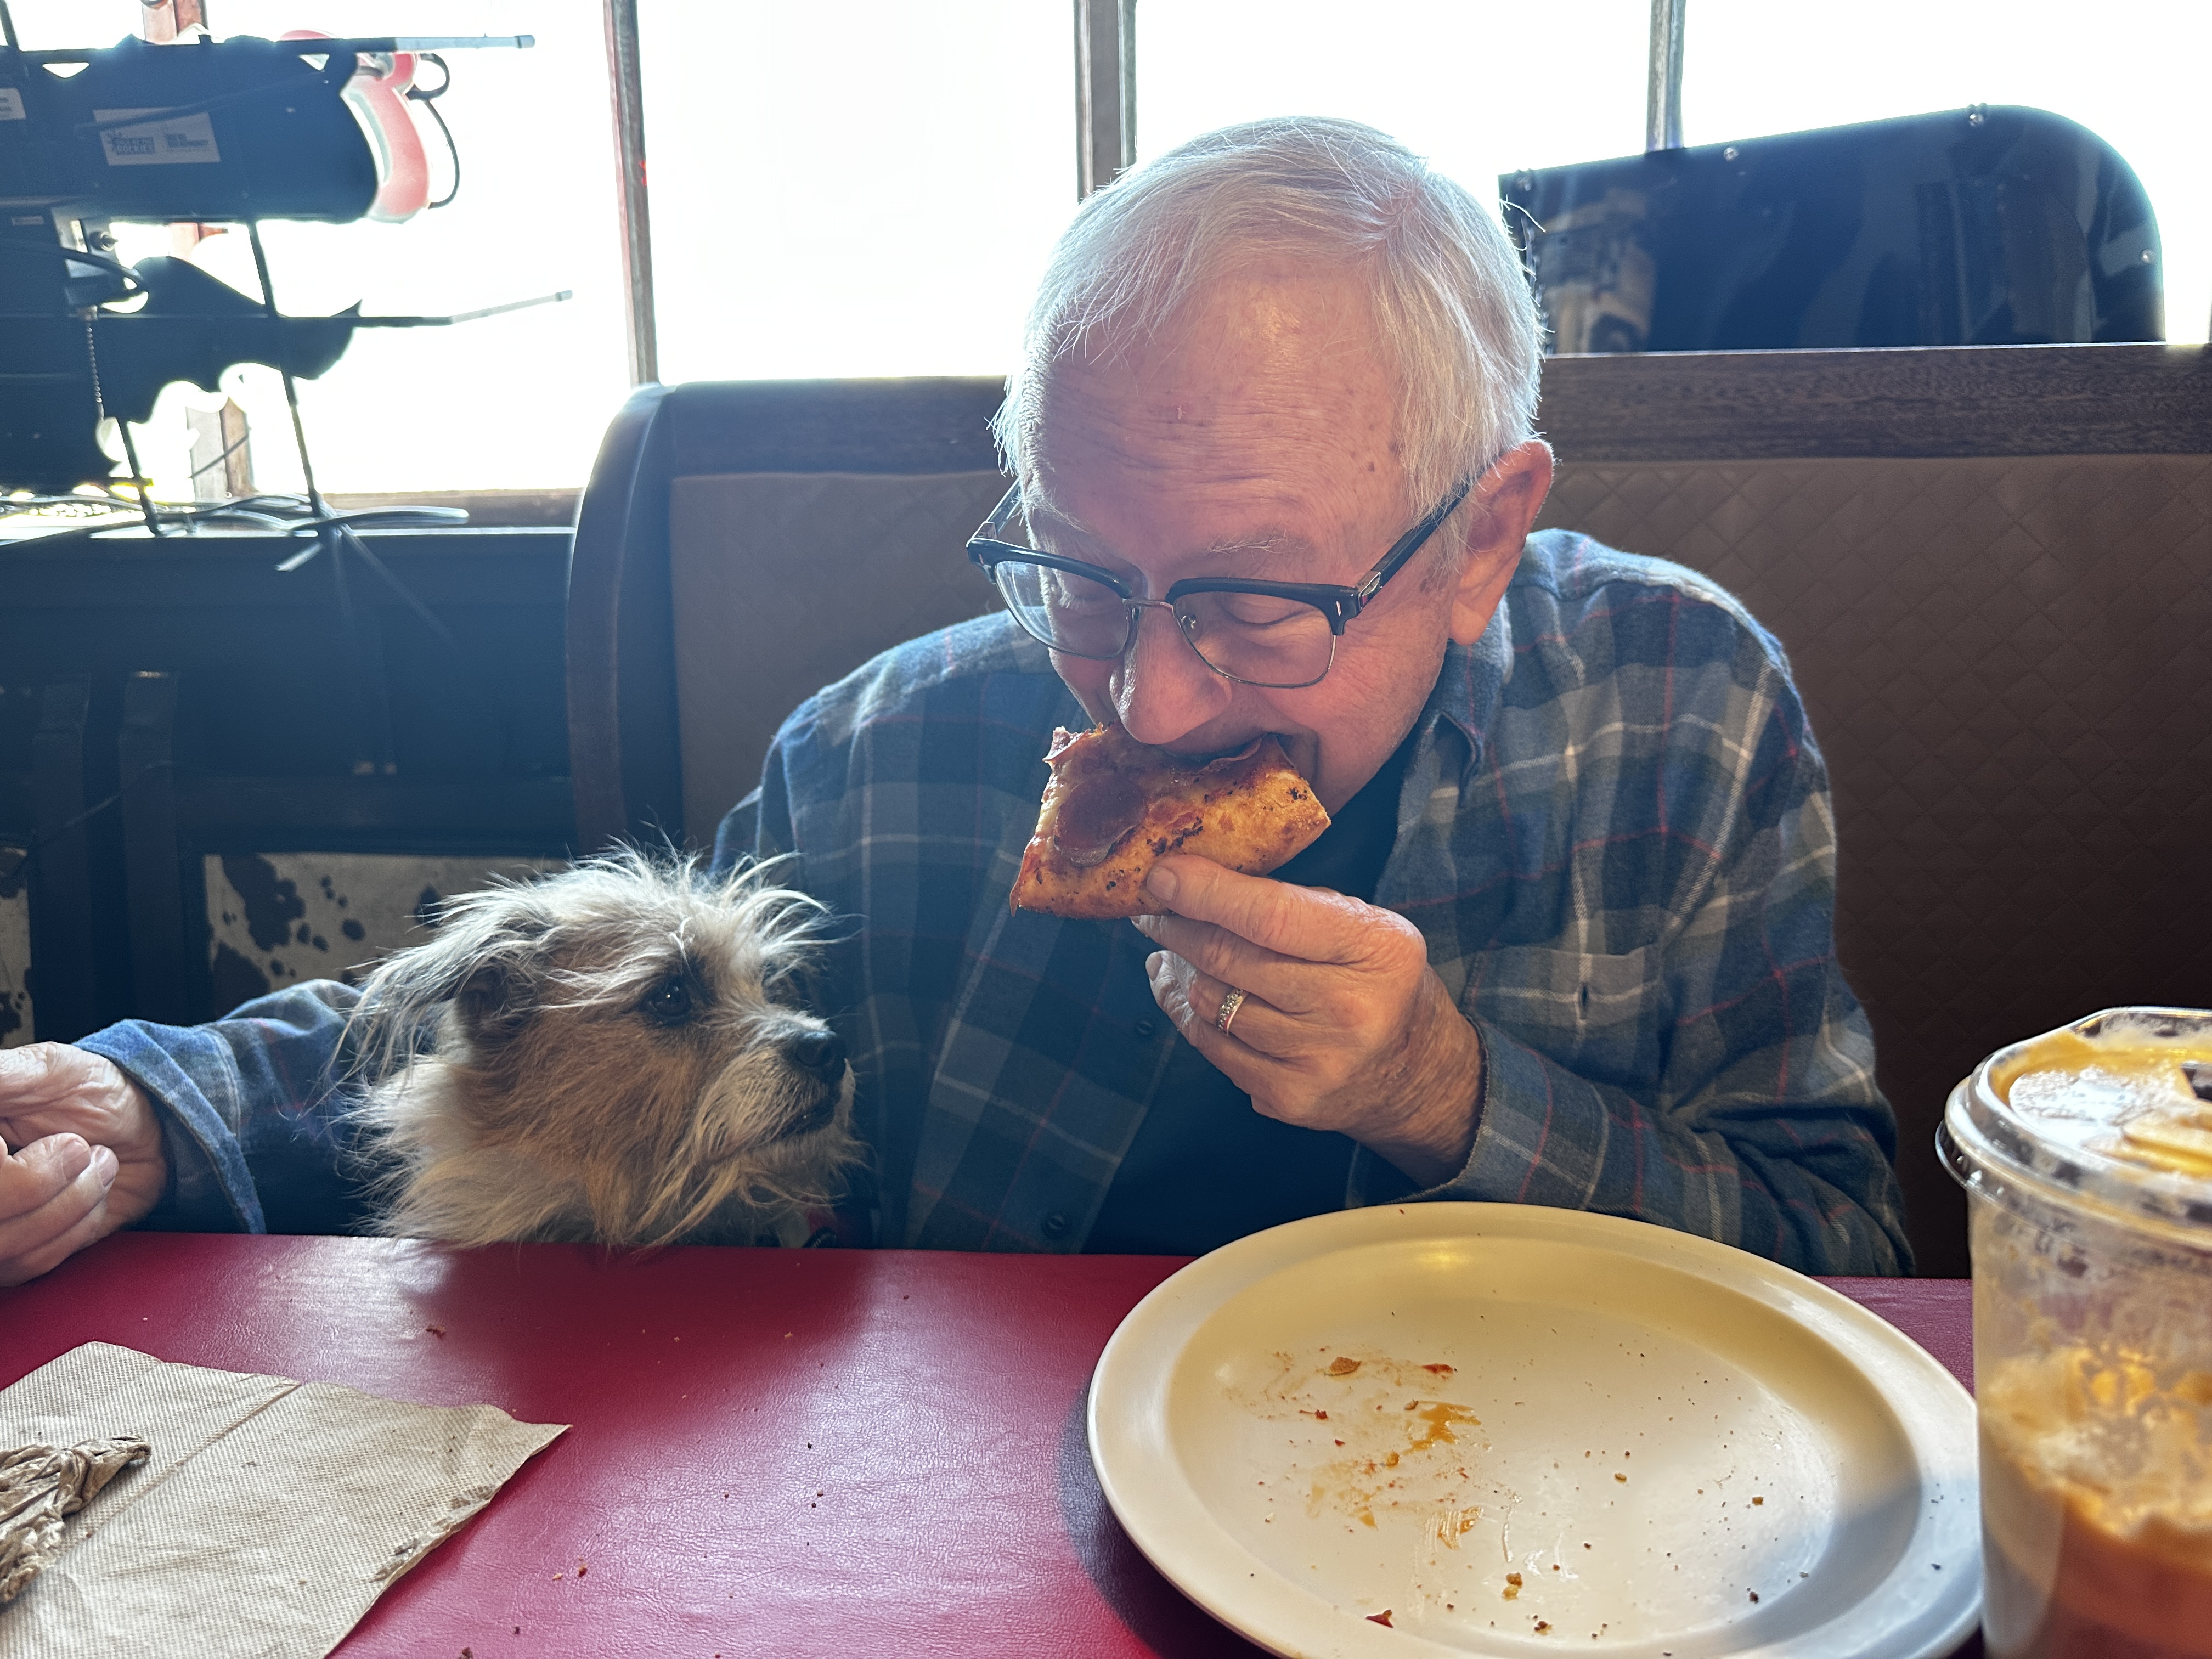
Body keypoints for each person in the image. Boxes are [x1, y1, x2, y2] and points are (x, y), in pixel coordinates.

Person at [0, 118, 1911, 1288]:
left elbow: (1846, 1252)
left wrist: (1447, 1096)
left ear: (1485, 535)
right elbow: (570, 1017)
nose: (1148, 696)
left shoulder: (1681, 706)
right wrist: (150, 1106)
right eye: (1077, 571)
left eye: (1256, 603)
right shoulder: (885, 751)